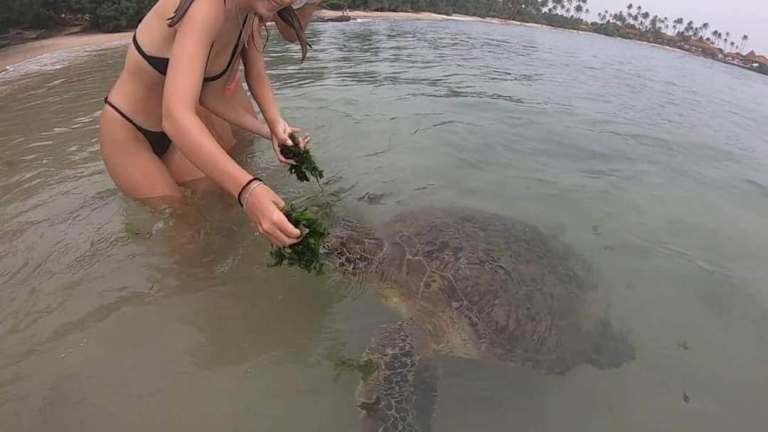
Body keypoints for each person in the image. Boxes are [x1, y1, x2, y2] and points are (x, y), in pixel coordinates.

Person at [99, 0, 315, 248]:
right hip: (130, 133)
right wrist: (249, 190)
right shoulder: (207, 6)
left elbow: (211, 94)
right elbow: (176, 117)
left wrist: (272, 129)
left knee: (216, 201)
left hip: (177, 133)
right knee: (186, 225)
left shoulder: (249, 13)